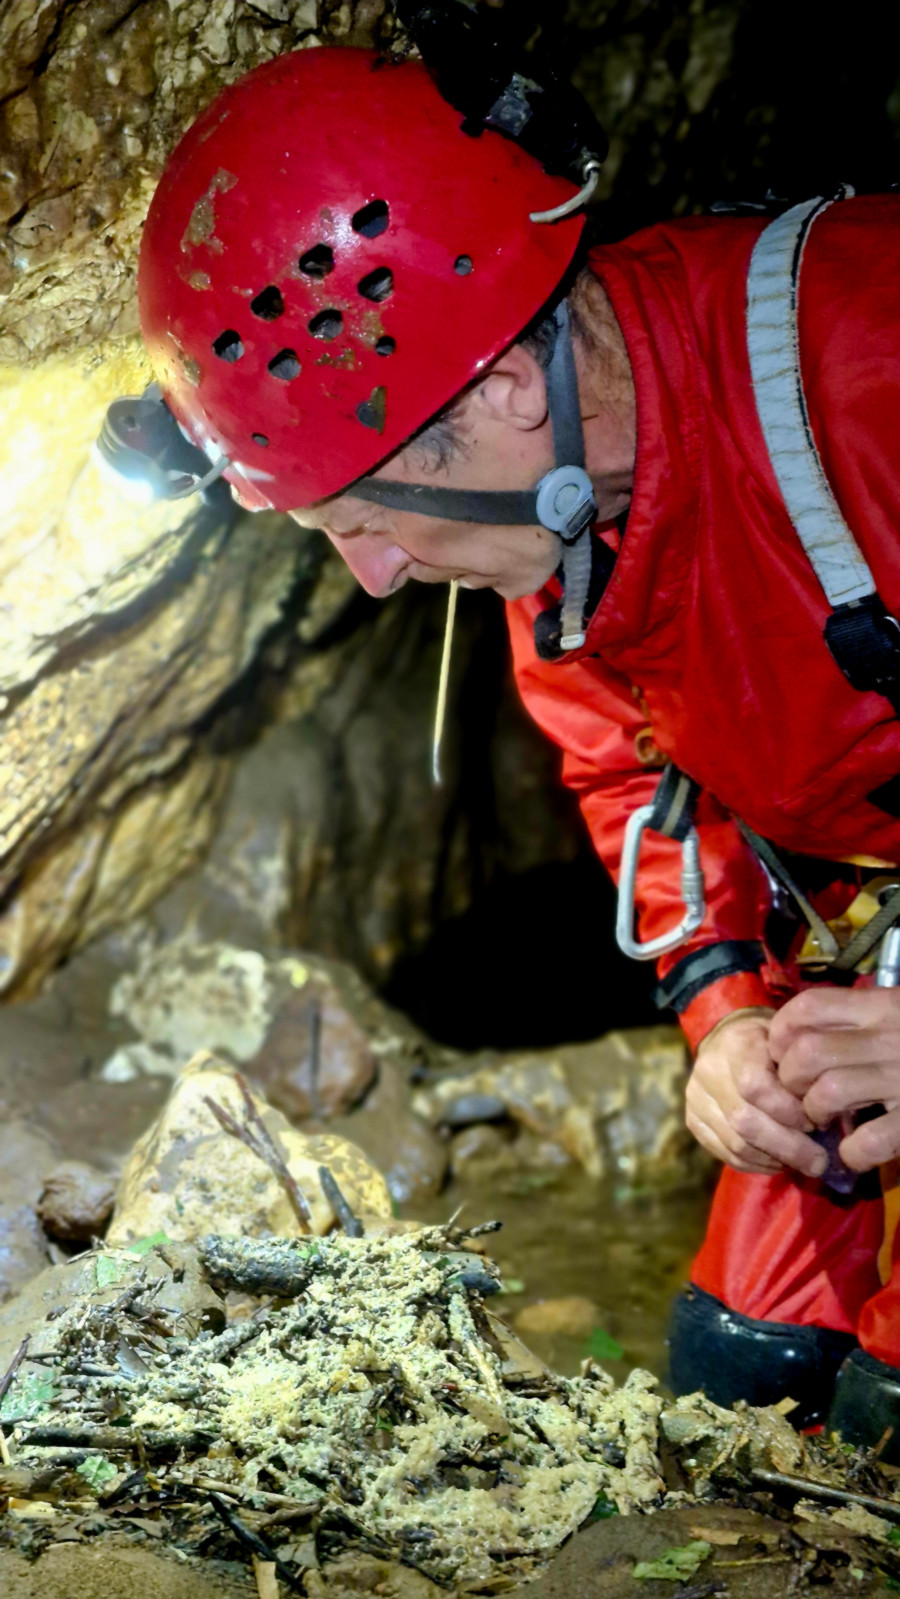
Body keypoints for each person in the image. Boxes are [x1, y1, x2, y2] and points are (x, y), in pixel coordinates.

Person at [130, 41, 900, 1450]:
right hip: (866, 942)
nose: (367, 578)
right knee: (744, 1361)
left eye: (361, 516)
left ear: (500, 394)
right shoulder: (557, 547)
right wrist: (725, 1010)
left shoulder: (872, 368)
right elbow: (638, 776)